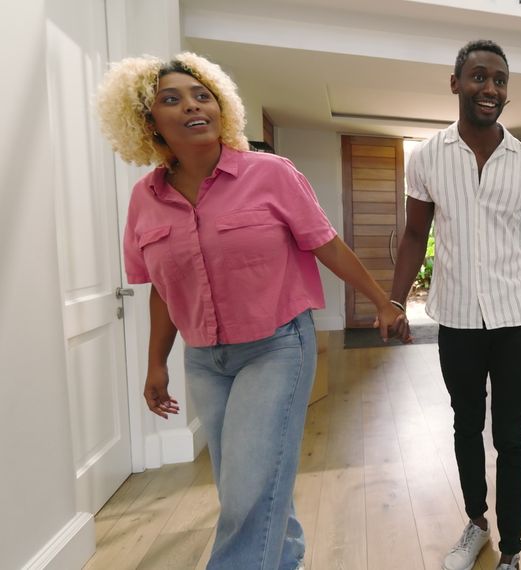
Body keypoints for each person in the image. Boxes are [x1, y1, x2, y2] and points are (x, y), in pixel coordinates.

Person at [96, 52, 407, 570]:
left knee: (249, 489)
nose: (193, 106)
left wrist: (381, 302)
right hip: (204, 360)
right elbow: (163, 288)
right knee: (247, 485)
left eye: (203, 96)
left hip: (277, 347)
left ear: (222, 108)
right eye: (171, 100)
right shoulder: (144, 199)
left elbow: (326, 244)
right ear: (147, 122)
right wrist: (155, 363)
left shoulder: (271, 174)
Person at [390, 39, 521, 570]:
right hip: (459, 320)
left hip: (517, 322)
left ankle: (511, 551)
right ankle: (476, 523)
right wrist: (396, 302)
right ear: (456, 82)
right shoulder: (427, 157)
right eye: (479, 77)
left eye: (500, 81)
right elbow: (415, 233)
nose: (490, 89)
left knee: (511, 437)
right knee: (466, 424)